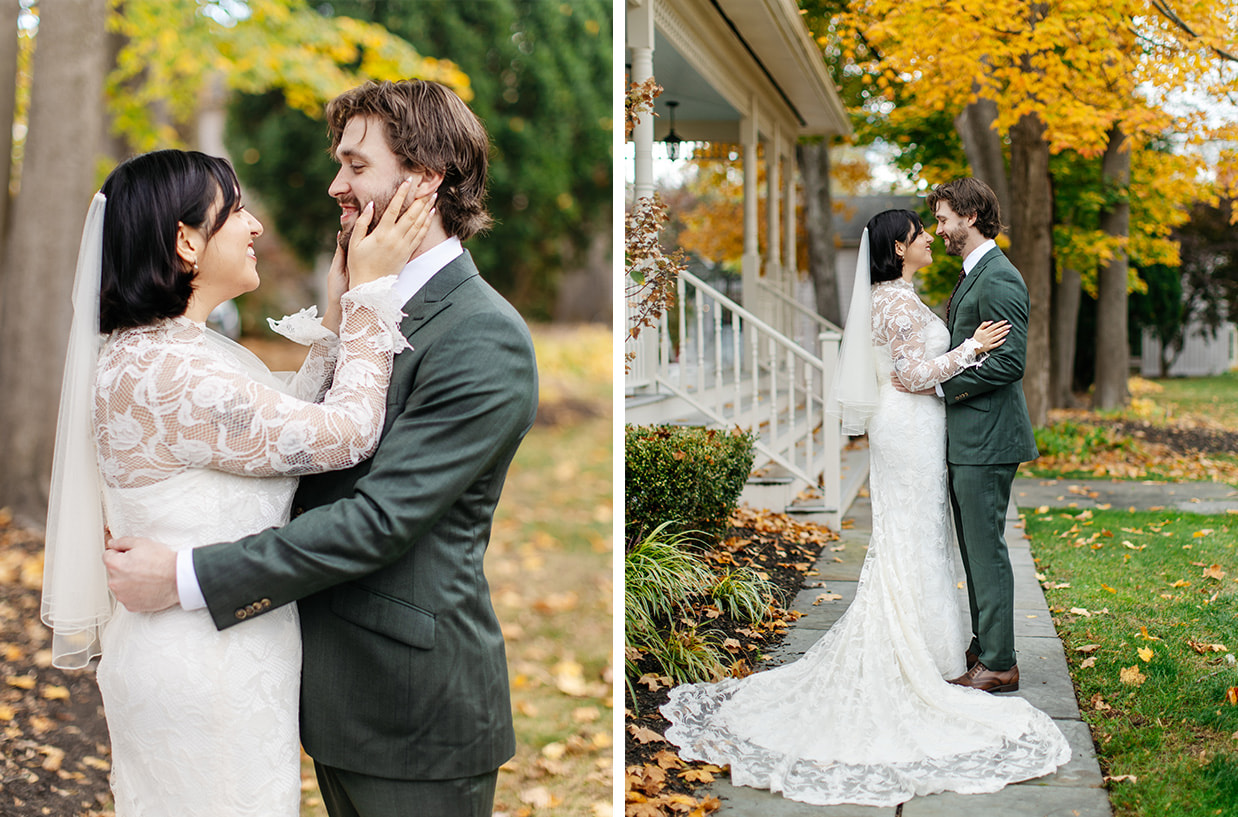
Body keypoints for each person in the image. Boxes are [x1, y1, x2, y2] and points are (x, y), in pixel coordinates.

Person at [102, 80, 539, 817]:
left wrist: (186, 572)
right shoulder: (365, 302)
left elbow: (378, 520)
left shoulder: (482, 335)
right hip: (317, 692)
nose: (336, 184)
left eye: (356, 165)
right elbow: (291, 447)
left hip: (411, 708)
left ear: (424, 178)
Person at [42, 148, 431, 816]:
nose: (254, 227)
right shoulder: (174, 373)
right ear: (186, 238)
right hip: (207, 671)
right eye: (237, 210)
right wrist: (373, 295)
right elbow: (342, 436)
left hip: (211, 650)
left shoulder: (172, 351)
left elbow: (275, 436)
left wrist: (335, 321)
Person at [658, 209, 1069, 807]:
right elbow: (907, 376)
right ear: (899, 247)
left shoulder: (900, 295)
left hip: (920, 429)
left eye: (938, 224)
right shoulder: (895, 304)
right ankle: (923, 652)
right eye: (921, 232)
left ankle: (940, 646)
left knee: (922, 537)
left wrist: (967, 351)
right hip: (910, 427)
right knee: (913, 536)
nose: (931, 236)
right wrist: (971, 349)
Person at [925, 177, 1041, 693]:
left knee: (986, 549)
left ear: (970, 216)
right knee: (975, 549)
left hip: (988, 438)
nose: (940, 228)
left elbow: (1009, 363)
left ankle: (999, 662)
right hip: (972, 438)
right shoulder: (976, 272)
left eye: (945, 218)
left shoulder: (999, 277)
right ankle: (985, 645)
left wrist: (944, 390)